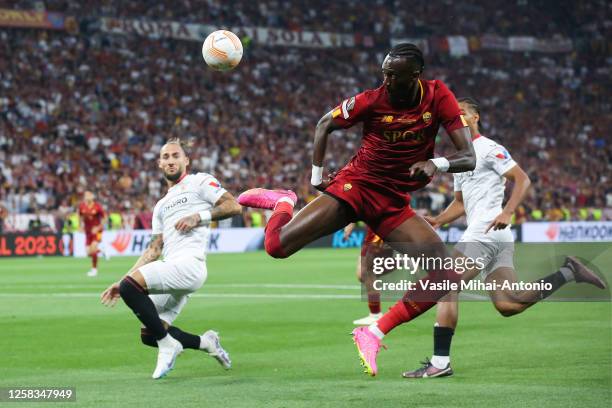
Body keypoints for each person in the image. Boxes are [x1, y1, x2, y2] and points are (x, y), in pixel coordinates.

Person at [238, 43, 477, 376]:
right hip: (357, 186)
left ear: (416, 75)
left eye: (394, 75)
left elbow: (469, 156)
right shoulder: (372, 99)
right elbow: (324, 124)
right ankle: (284, 201)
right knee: (276, 247)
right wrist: (317, 177)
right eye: (385, 73)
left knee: (444, 274)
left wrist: (436, 163)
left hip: (392, 199)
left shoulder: (438, 96)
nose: (387, 80)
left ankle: (374, 332)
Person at [401, 98, 606, 378]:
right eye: (453, 115)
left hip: (487, 231)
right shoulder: (460, 159)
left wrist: (508, 211)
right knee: (508, 303)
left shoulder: (489, 148)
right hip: (493, 236)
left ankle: (440, 363)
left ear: (476, 117)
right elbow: (460, 204)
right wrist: (438, 220)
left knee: (445, 285)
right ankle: (569, 273)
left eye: (462, 113)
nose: (457, 118)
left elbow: (522, 180)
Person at [100, 138, 242, 379]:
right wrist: (122, 280)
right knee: (149, 333)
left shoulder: (199, 182)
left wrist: (199, 216)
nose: (171, 160)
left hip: (190, 266)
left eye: (176, 156)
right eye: (166, 157)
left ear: (186, 160)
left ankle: (168, 345)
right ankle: (206, 343)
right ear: (159, 164)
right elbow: (154, 250)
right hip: (172, 268)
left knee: (132, 291)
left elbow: (234, 206)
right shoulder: (161, 206)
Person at [343, 223, 394, 325]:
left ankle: (375, 314)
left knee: (365, 271)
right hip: (374, 228)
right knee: (363, 274)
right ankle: (401, 261)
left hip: (379, 229)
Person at [78, 191, 108, 277]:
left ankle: (94, 270)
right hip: (88, 232)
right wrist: (80, 226)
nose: (87, 197)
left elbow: (105, 218)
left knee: (93, 250)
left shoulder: (97, 206)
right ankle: (102, 250)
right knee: (88, 253)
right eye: (86, 196)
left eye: (89, 196)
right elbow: (80, 216)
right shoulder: (82, 206)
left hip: (96, 232)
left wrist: (98, 227)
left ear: (92, 197)